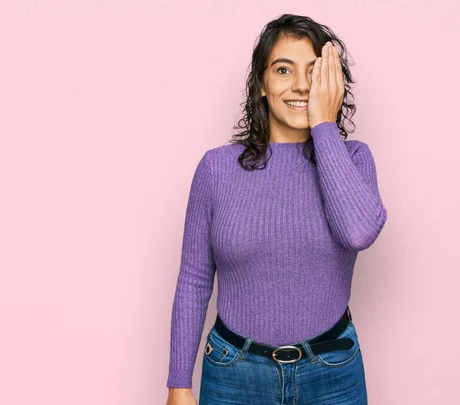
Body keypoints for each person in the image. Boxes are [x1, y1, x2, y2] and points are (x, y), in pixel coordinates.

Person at [166, 13, 388, 405]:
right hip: (234, 374)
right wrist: (179, 384)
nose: (301, 85)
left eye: (313, 72)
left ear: (331, 83)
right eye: (284, 70)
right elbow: (194, 279)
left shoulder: (354, 159)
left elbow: (358, 233)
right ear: (262, 84)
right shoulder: (217, 169)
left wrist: (323, 126)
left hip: (331, 371)